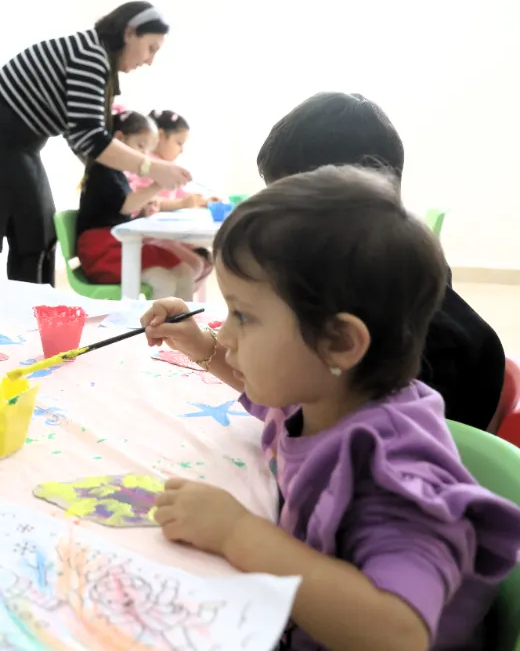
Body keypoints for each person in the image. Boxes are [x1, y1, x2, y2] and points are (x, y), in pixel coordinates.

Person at [142, 166, 520, 651]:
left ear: (340, 342)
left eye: (244, 316)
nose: (228, 333)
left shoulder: (393, 473)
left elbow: (399, 634)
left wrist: (237, 534)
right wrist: (203, 346)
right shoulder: (328, 395)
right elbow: (272, 402)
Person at [251, 91, 504, 429]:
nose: (277, 220)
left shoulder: (424, 345)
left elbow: (349, 436)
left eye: (289, 204)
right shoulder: (369, 272)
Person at [0, 1, 191, 285]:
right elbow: (90, 138)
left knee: (41, 233)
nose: (149, 60)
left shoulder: (92, 53)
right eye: (151, 48)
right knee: (32, 234)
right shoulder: (91, 56)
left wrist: (119, 178)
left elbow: (82, 134)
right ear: (130, 33)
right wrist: (152, 168)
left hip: (14, 140)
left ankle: (38, 305)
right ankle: (33, 308)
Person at [76, 109, 208, 299]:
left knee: (185, 272)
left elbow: (118, 213)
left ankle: (183, 317)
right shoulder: (103, 171)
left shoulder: (118, 174)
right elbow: (125, 206)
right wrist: (158, 184)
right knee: (164, 280)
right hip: (102, 250)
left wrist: (141, 214)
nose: (144, 156)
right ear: (119, 139)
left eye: (147, 151)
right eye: (140, 147)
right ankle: (159, 319)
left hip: (118, 242)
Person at [126, 109, 213, 210]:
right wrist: (181, 204)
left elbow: (177, 194)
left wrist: (201, 201)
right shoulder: (146, 165)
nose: (181, 150)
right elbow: (146, 201)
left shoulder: (167, 167)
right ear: (160, 136)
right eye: (179, 143)